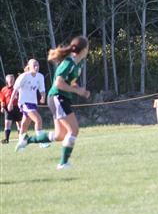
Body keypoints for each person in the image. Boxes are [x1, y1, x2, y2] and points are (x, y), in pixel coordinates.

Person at [16, 36, 91, 170]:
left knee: (60, 135)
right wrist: (77, 91)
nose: (88, 49)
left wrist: (79, 89)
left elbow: (70, 81)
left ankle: (27, 139)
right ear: (83, 49)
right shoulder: (69, 62)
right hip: (57, 97)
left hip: (61, 98)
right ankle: (63, 163)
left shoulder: (79, 63)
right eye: (87, 47)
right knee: (73, 130)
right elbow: (58, 83)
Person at [9, 59, 48, 148]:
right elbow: (15, 89)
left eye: (37, 65)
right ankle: (41, 141)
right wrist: (10, 103)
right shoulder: (24, 76)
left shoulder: (40, 76)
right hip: (24, 102)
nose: (36, 67)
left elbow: (42, 89)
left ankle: (21, 142)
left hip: (33, 103)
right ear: (29, 66)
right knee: (38, 119)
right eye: (34, 65)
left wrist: (43, 97)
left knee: (25, 124)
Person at [0, 74, 22, 144]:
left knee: (19, 123)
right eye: (10, 79)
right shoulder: (4, 89)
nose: (12, 81)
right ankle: (6, 139)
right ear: (7, 80)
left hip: (17, 108)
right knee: (7, 123)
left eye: (13, 79)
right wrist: (2, 107)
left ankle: (21, 138)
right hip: (8, 109)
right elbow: (2, 100)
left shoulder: (17, 88)